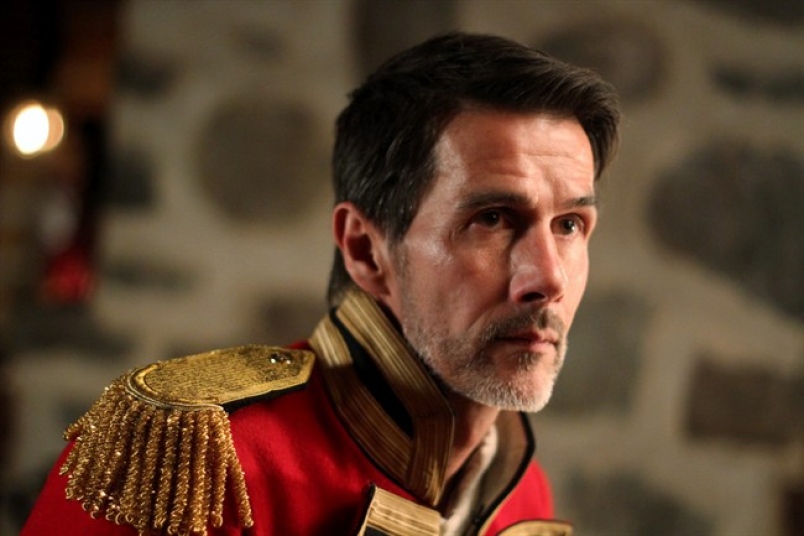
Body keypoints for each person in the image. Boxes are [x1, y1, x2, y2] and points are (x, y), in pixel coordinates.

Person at [22, 32, 620, 536]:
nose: (549, 277)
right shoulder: (189, 462)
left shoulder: (523, 495)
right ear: (366, 250)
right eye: (491, 219)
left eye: (570, 225)